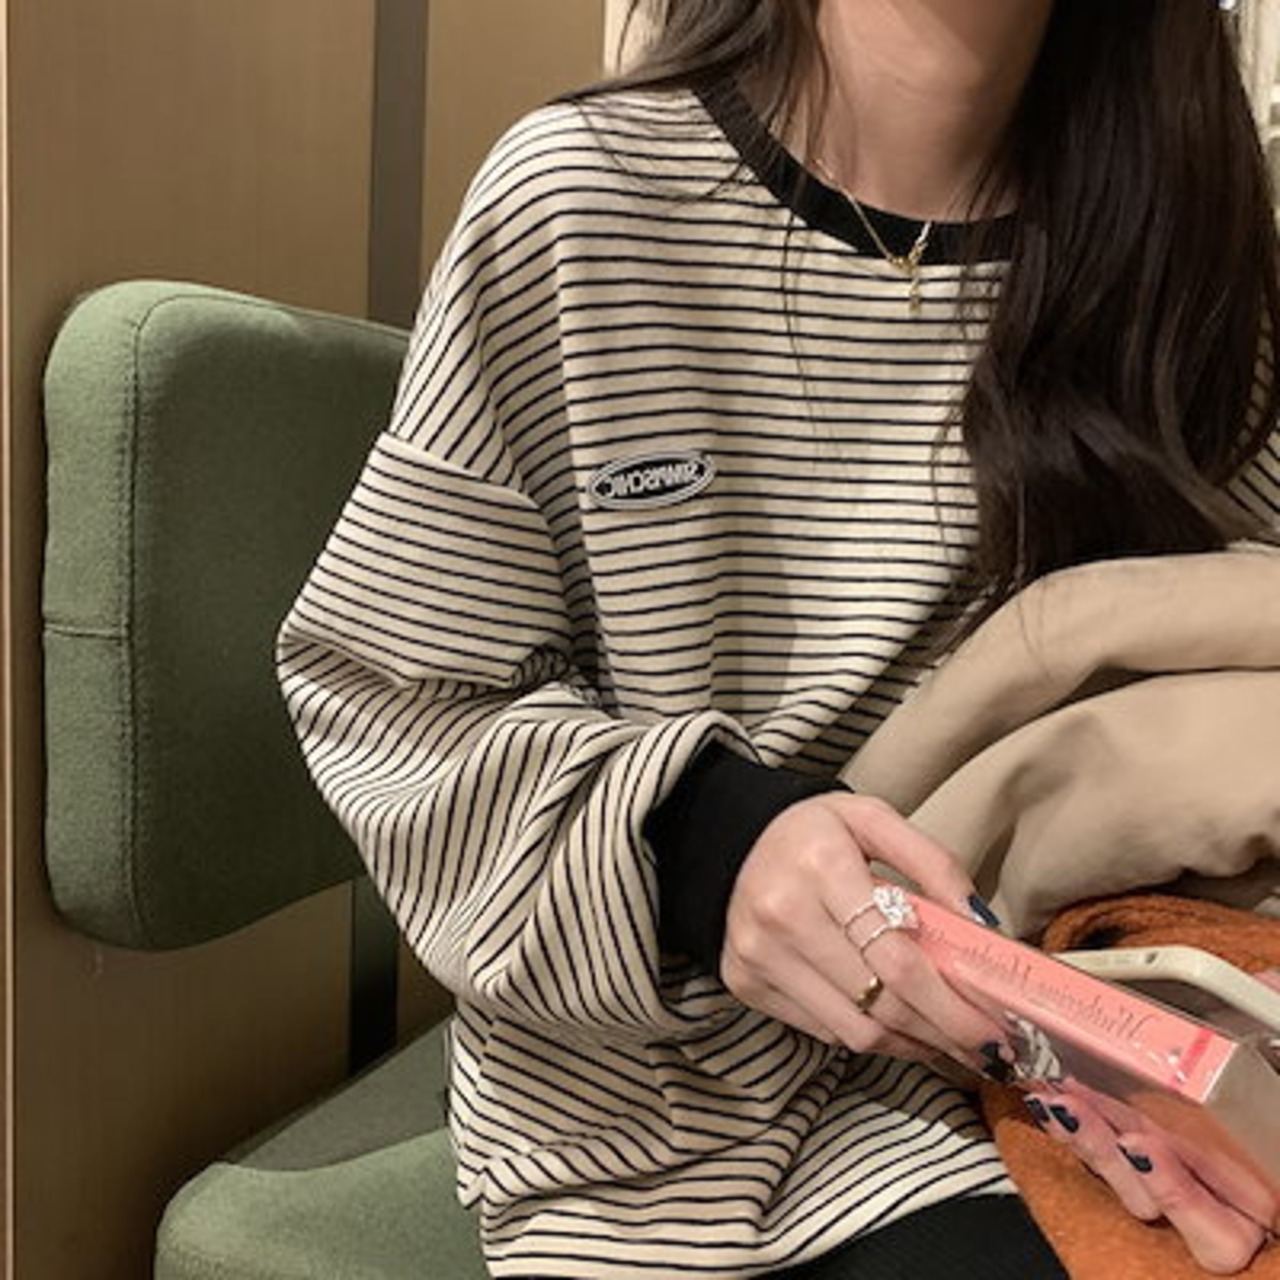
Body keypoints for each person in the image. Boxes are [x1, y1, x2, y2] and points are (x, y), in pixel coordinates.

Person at [277, 1, 1280, 1275]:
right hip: (670, 1115)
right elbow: (391, 700)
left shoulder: (1193, 254)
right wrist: (707, 839)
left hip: (1082, 1070)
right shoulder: (581, 201)